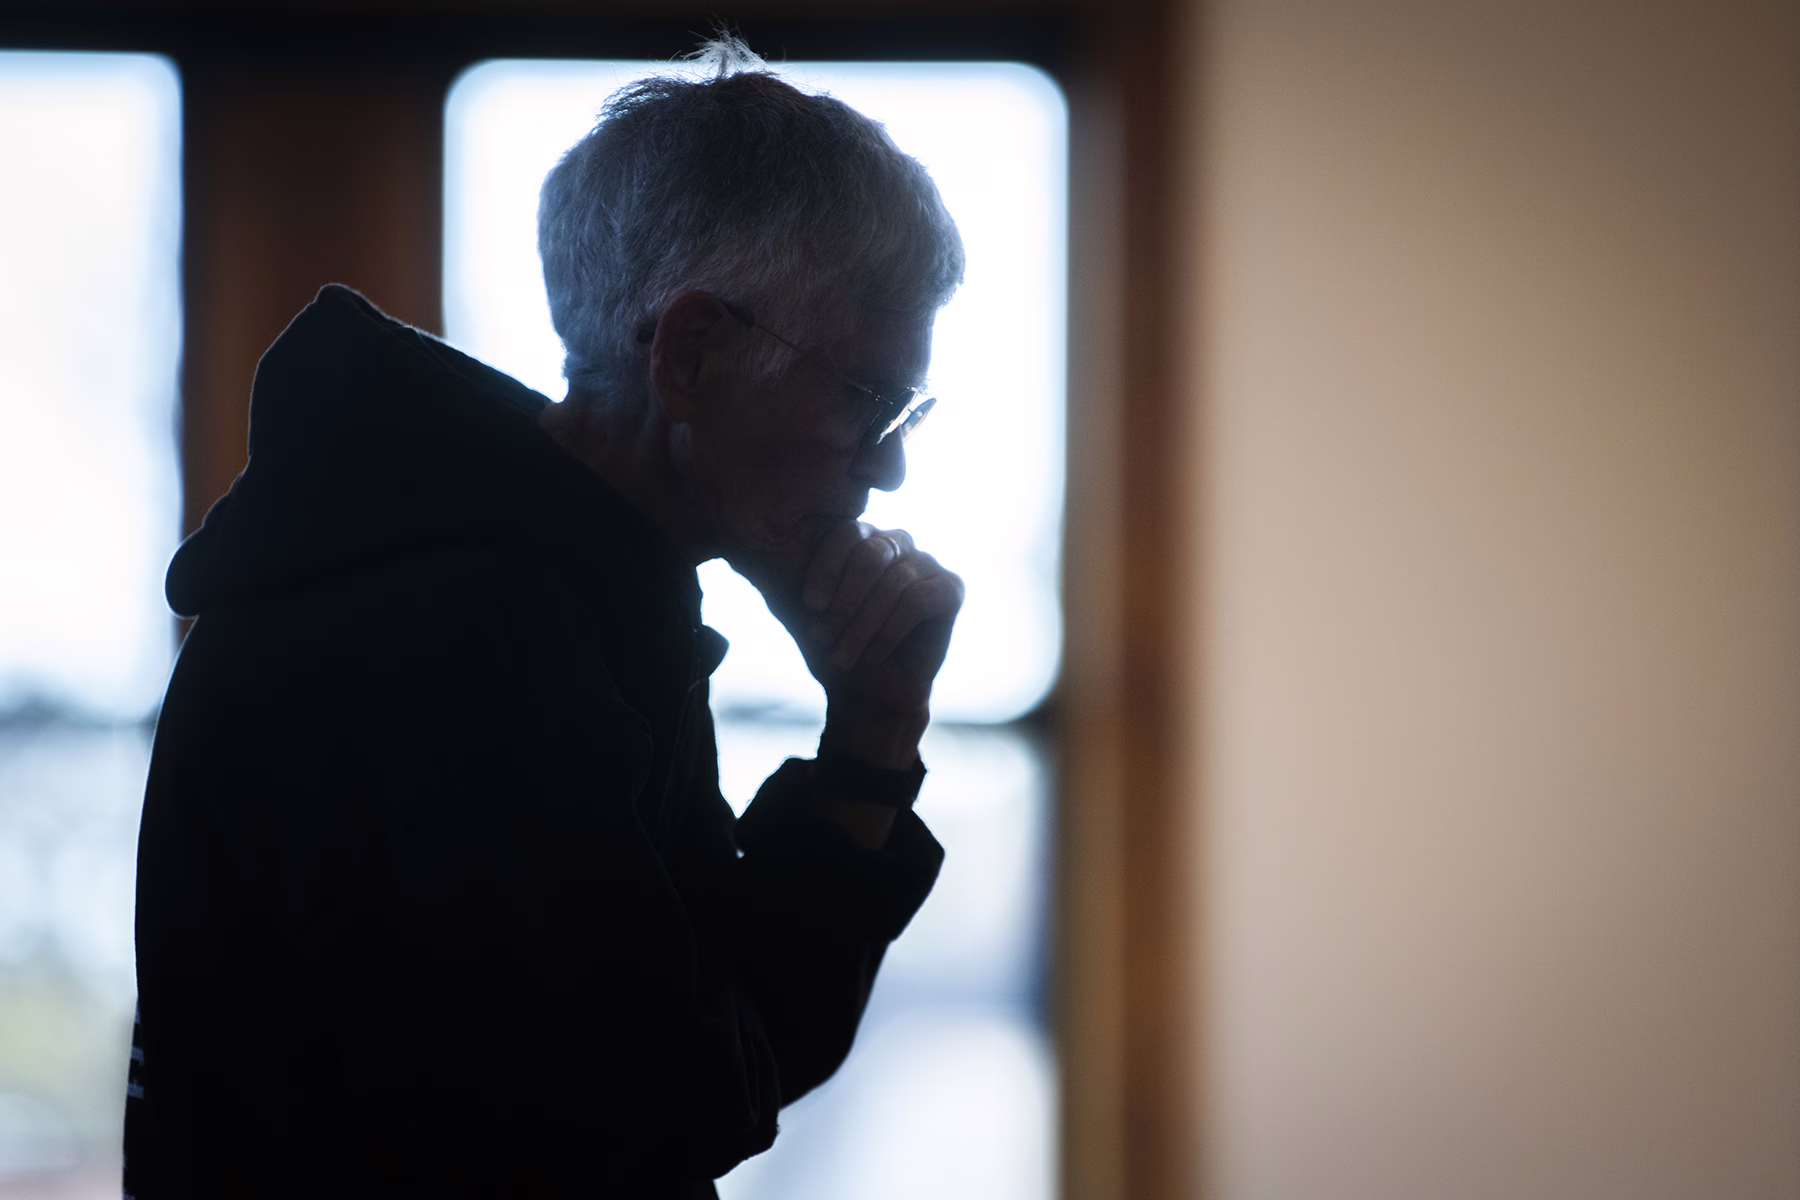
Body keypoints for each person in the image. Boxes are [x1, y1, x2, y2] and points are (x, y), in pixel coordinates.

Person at [126, 40, 966, 1199]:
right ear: (692, 355)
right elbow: (663, 1110)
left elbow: (735, 1048)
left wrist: (872, 740)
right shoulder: (457, 632)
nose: (889, 473)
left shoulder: (574, 588)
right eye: (868, 397)